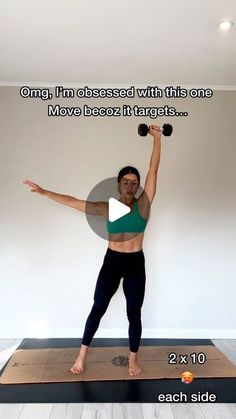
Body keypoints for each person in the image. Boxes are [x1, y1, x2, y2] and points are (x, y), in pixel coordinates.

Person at [22, 124, 162, 376]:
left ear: (138, 186)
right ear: (119, 185)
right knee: (98, 307)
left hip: (135, 264)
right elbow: (74, 202)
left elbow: (154, 170)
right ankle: (81, 356)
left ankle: (132, 360)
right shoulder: (107, 207)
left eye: (134, 182)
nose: (130, 185)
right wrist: (43, 192)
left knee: (134, 312)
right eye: (125, 182)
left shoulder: (144, 204)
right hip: (112, 261)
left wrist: (157, 139)